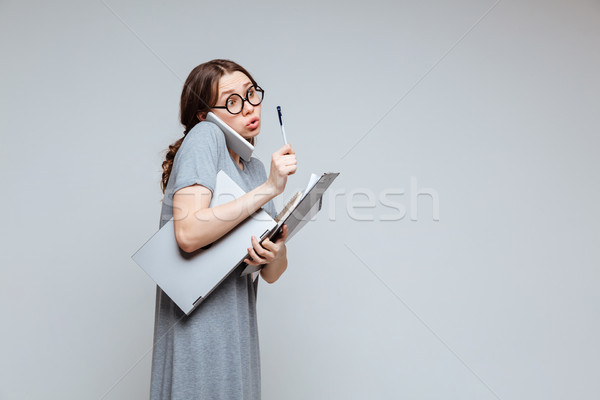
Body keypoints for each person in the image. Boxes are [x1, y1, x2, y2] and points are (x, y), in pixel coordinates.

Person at [150, 59, 297, 400]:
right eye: (232, 101)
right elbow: (187, 234)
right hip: (199, 337)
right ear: (205, 114)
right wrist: (270, 189)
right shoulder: (205, 137)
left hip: (237, 336)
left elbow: (271, 274)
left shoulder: (255, 167)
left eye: (251, 94)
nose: (248, 107)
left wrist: (276, 251)